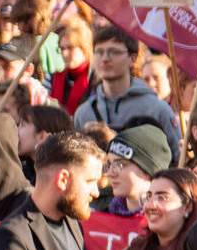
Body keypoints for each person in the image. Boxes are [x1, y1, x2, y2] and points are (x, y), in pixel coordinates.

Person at [72, 27, 182, 161]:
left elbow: (177, 159)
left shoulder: (157, 110)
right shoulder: (84, 112)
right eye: (99, 52)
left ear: (132, 58)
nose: (105, 59)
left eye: (114, 52)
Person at [99, 124, 172, 220]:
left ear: (148, 171)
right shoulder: (100, 216)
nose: (109, 173)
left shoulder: (169, 223)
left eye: (120, 165)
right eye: (109, 164)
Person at [47, 17, 92, 115]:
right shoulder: (54, 77)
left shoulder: (95, 79)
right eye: (62, 49)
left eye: (70, 48)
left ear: (84, 48)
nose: (64, 54)